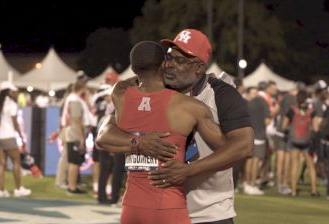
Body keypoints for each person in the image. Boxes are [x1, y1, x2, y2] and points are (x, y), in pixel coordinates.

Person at [97, 29, 253, 224]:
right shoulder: (151, 88)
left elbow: (244, 146)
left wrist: (189, 170)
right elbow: (105, 131)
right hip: (159, 207)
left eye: (179, 61)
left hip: (209, 211)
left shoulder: (222, 94)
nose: (170, 65)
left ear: (198, 67)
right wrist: (139, 142)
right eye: (169, 57)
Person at [0, 81, 31, 197]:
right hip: (8, 136)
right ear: (9, 92)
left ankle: (2, 190)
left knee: (1, 163)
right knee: (16, 162)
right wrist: (21, 136)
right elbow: (15, 124)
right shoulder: (12, 105)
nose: (16, 93)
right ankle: (18, 189)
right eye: (14, 92)